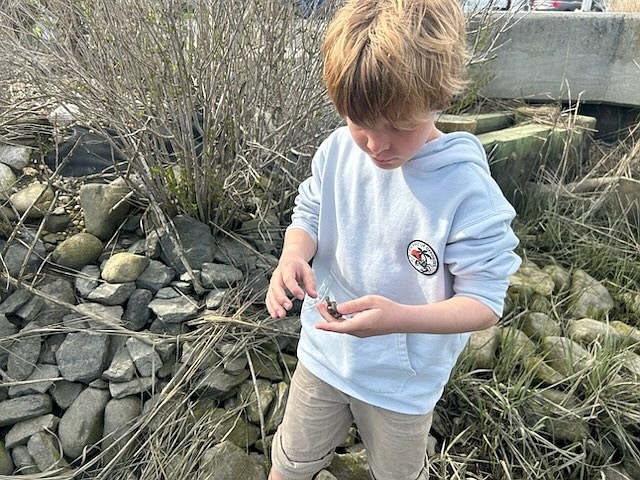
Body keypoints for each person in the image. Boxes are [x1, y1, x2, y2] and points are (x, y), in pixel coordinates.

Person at [265, 0, 522, 478]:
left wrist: (399, 319)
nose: (377, 145)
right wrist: (294, 253)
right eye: (360, 123)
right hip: (323, 355)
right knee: (291, 463)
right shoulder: (338, 151)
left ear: (440, 99)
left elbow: (484, 301)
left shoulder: (467, 193)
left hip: (402, 385)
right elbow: (310, 212)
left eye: (400, 127)